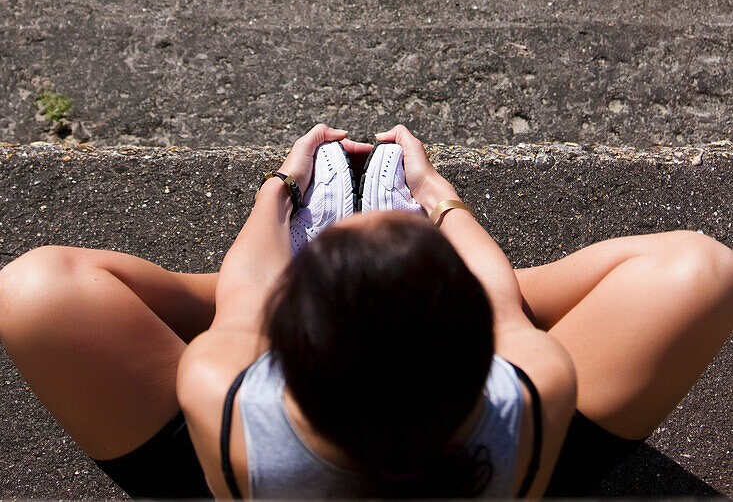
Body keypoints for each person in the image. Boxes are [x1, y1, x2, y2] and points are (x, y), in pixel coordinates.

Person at [0, 123, 731, 499]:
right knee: (703, 269)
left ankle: (343, 279)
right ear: (481, 358)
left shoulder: (221, 395)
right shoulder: (537, 387)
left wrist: (281, 187)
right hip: (503, 471)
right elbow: (500, 299)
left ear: (278, 362)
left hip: (242, 476)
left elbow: (243, 305)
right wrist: (433, 192)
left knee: (33, 290)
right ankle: (402, 288)